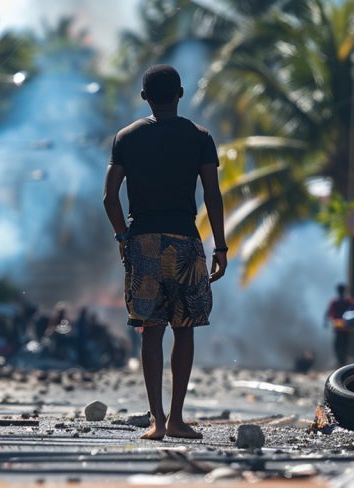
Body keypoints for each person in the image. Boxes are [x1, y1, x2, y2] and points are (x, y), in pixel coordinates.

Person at [102, 64, 227, 441]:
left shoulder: (126, 137)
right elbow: (212, 195)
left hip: (142, 241)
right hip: (184, 241)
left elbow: (109, 198)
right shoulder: (200, 136)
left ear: (143, 97)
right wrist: (220, 245)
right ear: (181, 93)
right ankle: (176, 418)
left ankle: (156, 421)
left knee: (150, 331)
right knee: (184, 329)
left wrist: (123, 237)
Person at [324, 283, 354, 366]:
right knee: (344, 344)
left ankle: (341, 361)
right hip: (345, 326)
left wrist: (326, 322)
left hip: (338, 326)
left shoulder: (335, 302)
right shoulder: (348, 301)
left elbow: (328, 312)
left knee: (338, 345)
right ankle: (342, 361)